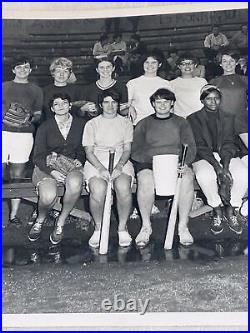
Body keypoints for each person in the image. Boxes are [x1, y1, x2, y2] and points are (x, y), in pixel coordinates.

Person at [131, 88, 196, 248]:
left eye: (166, 101)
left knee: (187, 178)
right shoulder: (144, 123)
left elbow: (191, 147)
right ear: (153, 104)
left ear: (172, 103)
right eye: (158, 102)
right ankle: (146, 226)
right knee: (145, 180)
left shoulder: (181, 122)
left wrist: (184, 163)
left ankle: (183, 226)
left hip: (175, 162)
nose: (162, 105)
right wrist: (155, 163)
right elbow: (136, 150)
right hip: (150, 162)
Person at [187, 85, 247, 236]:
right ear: (202, 100)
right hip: (204, 156)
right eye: (208, 98)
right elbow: (200, 146)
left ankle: (231, 208)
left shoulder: (228, 116)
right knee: (205, 175)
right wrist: (217, 168)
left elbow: (229, 143)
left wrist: (225, 167)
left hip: (226, 155)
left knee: (242, 173)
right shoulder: (193, 119)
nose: (213, 102)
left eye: (216, 98)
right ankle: (217, 209)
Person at [28, 93, 86, 244]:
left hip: (71, 166)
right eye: (56, 104)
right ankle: (40, 220)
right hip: (47, 167)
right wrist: (52, 172)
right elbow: (38, 156)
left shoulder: (81, 124)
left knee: (75, 183)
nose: (61, 106)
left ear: (70, 105)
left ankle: (60, 222)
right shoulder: (44, 127)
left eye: (64, 103)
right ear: (52, 109)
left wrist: (80, 159)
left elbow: (83, 148)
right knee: (48, 196)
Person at [82, 89, 134, 249]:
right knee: (98, 190)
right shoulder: (91, 124)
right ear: (100, 105)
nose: (110, 106)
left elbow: (127, 149)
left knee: (123, 187)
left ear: (118, 104)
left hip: (120, 160)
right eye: (106, 102)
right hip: (96, 161)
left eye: (114, 102)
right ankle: (98, 228)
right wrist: (101, 169)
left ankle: (122, 228)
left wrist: (119, 167)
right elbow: (88, 151)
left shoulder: (126, 123)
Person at [2, 55, 43, 226]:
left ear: (31, 69)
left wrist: (28, 118)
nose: (23, 70)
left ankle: (13, 215)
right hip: (3, 133)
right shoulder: (3, 86)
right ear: (13, 70)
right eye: (19, 67)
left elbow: (38, 113)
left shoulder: (36, 89)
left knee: (17, 175)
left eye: (26, 67)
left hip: (24, 134)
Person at [127, 52, 172, 125]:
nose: (150, 65)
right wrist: (130, 107)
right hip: (138, 123)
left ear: (159, 65)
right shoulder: (132, 83)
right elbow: (127, 105)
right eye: (147, 62)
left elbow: (170, 106)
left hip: (160, 123)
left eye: (154, 62)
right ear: (142, 64)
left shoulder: (166, 84)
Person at [210, 51, 248, 117]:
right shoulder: (214, 81)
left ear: (236, 62)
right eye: (225, 61)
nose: (228, 64)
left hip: (242, 119)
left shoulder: (245, 79)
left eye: (232, 60)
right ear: (220, 64)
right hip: (222, 120)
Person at [170, 52, 207, 119]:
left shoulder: (202, 81)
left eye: (190, 63)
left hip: (199, 119)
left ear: (195, 65)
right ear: (179, 66)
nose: (187, 66)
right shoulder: (172, 84)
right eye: (183, 64)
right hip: (180, 119)